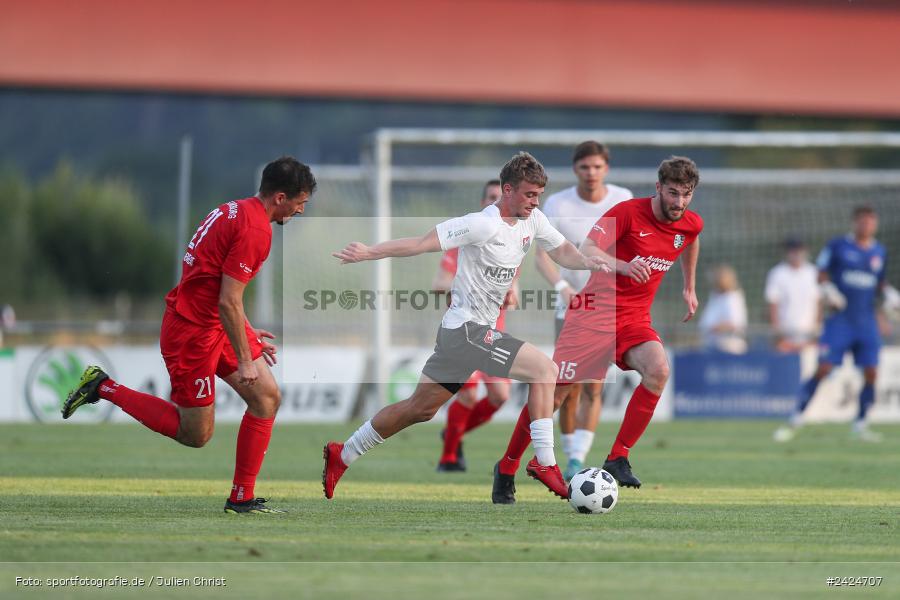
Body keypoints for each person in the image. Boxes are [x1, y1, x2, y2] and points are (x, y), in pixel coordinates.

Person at [323, 152, 610, 501]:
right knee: (544, 370)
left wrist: (586, 261)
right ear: (508, 190)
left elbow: (562, 250)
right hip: (466, 330)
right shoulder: (481, 223)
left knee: (421, 409)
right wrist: (370, 252)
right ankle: (544, 461)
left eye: (538, 195)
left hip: (462, 335)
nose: (536, 202)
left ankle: (344, 453)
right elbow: (419, 243)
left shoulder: (532, 221)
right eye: (530, 195)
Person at [61, 156, 317, 514]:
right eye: (300, 202)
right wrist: (246, 357)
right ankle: (103, 386)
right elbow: (228, 299)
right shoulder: (256, 230)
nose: (302, 210)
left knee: (267, 397)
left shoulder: (236, 209)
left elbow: (218, 290)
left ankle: (241, 497)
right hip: (192, 333)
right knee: (196, 434)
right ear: (279, 197)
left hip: (212, 323)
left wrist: (243, 329)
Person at [493, 156, 702, 501]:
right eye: (672, 193)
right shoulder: (627, 213)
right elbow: (588, 249)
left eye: (686, 194)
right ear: (658, 188)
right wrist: (622, 266)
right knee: (555, 396)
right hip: (591, 316)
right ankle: (507, 465)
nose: (679, 202)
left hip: (634, 318)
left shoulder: (690, 223)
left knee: (658, 370)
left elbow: (691, 239)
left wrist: (689, 287)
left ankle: (619, 456)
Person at [535, 141, 633, 479]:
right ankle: (564, 452)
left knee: (594, 384)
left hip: (606, 305)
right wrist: (563, 288)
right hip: (570, 304)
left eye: (597, 167)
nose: (591, 173)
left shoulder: (622, 198)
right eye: (584, 167)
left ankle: (577, 459)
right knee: (567, 383)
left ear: (606, 169)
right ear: (575, 169)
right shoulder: (558, 203)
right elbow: (542, 256)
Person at [774, 205, 899, 443]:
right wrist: (829, 290)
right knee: (824, 368)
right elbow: (820, 273)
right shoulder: (838, 246)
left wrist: (890, 294)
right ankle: (795, 419)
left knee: (872, 372)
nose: (867, 225)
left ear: (875, 224)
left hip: (866, 321)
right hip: (840, 321)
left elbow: (879, 282)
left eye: (871, 221)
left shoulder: (879, 252)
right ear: (854, 223)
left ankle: (861, 424)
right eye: (862, 221)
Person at [434, 179, 518, 472]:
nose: (496, 202)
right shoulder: (464, 240)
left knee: (500, 397)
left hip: (494, 335)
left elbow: (515, 293)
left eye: (500, 197)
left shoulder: (511, 242)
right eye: (491, 197)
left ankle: (454, 435)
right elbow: (439, 284)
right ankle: (448, 458)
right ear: (484, 203)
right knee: (468, 395)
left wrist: (510, 294)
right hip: (467, 331)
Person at [765, 237, 820, 353]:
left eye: (799, 250)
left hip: (808, 335)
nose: (796, 254)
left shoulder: (813, 273)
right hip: (786, 335)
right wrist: (778, 336)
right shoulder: (777, 273)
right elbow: (773, 305)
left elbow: (818, 303)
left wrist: (815, 333)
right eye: (792, 250)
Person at [698, 264, 748, 354]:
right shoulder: (715, 296)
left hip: (729, 347)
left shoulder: (733, 298)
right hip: (712, 345)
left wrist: (714, 328)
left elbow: (735, 323)